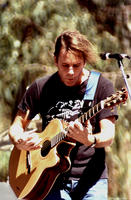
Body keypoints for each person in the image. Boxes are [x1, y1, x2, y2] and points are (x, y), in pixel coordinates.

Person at [9, 30, 117, 199]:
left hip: (92, 183)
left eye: (77, 65)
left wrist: (90, 140)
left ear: (85, 61)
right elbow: (16, 126)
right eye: (65, 65)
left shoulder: (101, 87)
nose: (71, 72)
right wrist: (19, 141)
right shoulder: (41, 87)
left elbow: (108, 135)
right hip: (50, 180)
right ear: (55, 61)